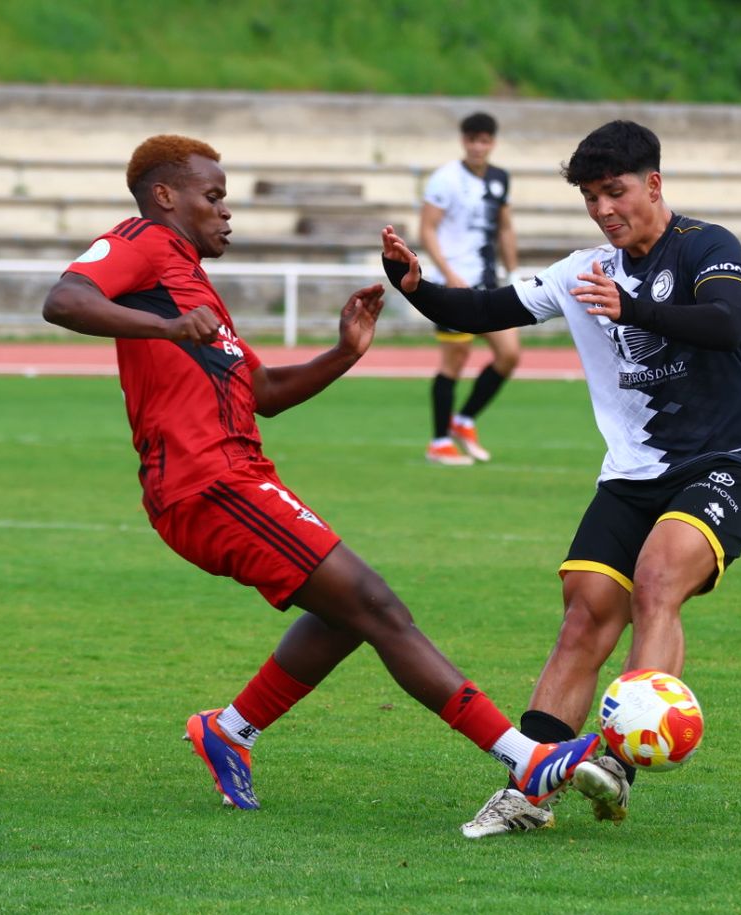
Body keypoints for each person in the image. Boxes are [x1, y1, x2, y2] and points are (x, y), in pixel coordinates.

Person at [41, 134, 597, 814]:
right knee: (377, 603)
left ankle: (229, 729)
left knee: (345, 614)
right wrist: (163, 330)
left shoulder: (189, 281)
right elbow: (64, 299)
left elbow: (264, 390)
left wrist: (344, 351)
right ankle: (526, 757)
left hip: (237, 474)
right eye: (213, 197)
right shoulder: (142, 242)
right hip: (207, 483)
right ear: (165, 196)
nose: (226, 212)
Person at [379, 119, 741, 838]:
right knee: (585, 612)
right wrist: (417, 287)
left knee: (657, 577)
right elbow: (487, 308)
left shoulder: (708, 247)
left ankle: (620, 762)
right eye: (591, 197)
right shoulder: (582, 270)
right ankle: (529, 788)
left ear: (653, 184)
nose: (603, 209)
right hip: (632, 475)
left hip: (726, 461)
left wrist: (634, 309)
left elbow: (724, 321)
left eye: (614, 191)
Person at [417, 112, 521, 465]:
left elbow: (504, 225)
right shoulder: (445, 179)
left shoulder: (499, 178)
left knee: (509, 354)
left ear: (492, 143)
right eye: (473, 139)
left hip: (488, 283)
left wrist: (513, 267)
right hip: (455, 284)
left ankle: (464, 420)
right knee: (454, 360)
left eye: (485, 140)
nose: (479, 146)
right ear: (464, 141)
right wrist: (446, 273)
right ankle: (439, 440)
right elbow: (427, 228)